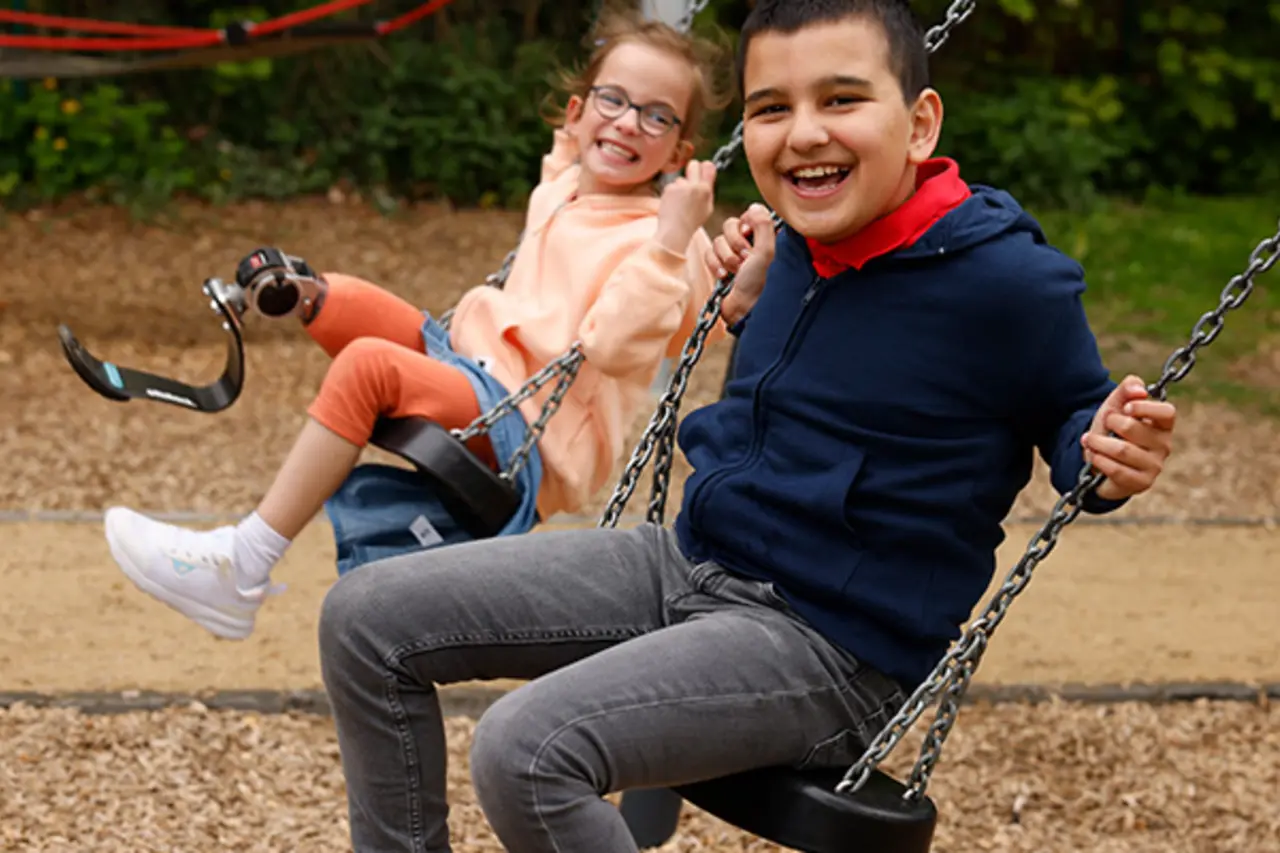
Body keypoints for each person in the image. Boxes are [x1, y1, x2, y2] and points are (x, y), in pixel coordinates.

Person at [315, 0, 1181, 851]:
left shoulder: (1008, 284)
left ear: (919, 124)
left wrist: (1107, 449)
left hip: (830, 646)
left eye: (841, 100)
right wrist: (742, 308)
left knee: (527, 749)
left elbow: (1077, 423)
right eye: (772, 108)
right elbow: (821, 385)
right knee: (365, 620)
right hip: (691, 561)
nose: (803, 133)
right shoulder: (795, 239)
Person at [99, 9, 734, 641]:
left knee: (368, 366)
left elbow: (618, 344)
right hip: (475, 368)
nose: (627, 123)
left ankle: (242, 565)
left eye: (656, 116)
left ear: (679, 152)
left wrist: (680, 234)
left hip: (526, 433)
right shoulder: (567, 183)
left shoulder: (661, 247)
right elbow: (579, 151)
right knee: (333, 296)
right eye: (613, 100)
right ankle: (277, 296)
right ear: (575, 113)